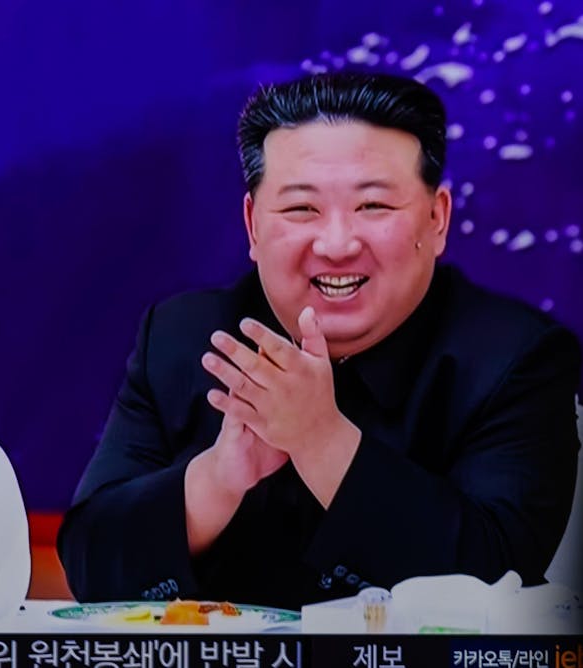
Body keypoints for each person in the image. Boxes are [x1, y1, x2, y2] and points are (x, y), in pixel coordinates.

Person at [57, 72, 582, 611]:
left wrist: (323, 443)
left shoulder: (518, 359)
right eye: (301, 209)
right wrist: (217, 481)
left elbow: (500, 580)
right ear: (252, 225)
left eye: (373, 206)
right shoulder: (182, 338)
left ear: (437, 219)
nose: (336, 244)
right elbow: (91, 570)